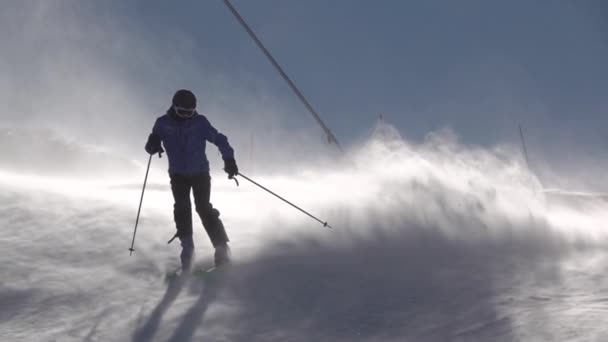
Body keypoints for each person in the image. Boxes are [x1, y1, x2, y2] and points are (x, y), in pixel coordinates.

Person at [145, 89, 238, 270]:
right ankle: (187, 249)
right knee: (181, 208)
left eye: (191, 112)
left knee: (203, 208)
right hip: (178, 175)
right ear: (174, 108)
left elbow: (220, 139)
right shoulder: (163, 124)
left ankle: (221, 248)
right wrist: (152, 144)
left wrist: (229, 159)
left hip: (200, 173)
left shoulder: (199, 123)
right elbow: (151, 145)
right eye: (183, 112)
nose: (187, 116)